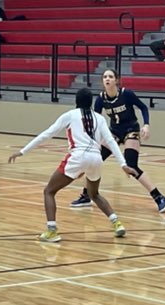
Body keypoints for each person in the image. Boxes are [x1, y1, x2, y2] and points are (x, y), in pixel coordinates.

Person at [8, 88, 135, 243]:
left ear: (76, 101)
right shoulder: (99, 118)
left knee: (49, 191)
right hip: (96, 158)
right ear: (91, 103)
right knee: (94, 194)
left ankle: (52, 231)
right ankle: (117, 223)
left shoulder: (70, 115)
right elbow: (110, 141)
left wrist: (22, 151)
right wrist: (123, 164)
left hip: (78, 156)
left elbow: (46, 134)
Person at [71, 69, 165, 212]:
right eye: (105, 77)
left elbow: (143, 107)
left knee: (131, 165)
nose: (107, 79)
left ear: (116, 80)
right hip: (114, 132)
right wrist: (93, 140)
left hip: (131, 130)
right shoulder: (100, 99)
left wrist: (146, 125)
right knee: (94, 160)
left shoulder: (126, 94)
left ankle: (159, 197)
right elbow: (96, 121)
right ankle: (86, 195)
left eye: (110, 77)